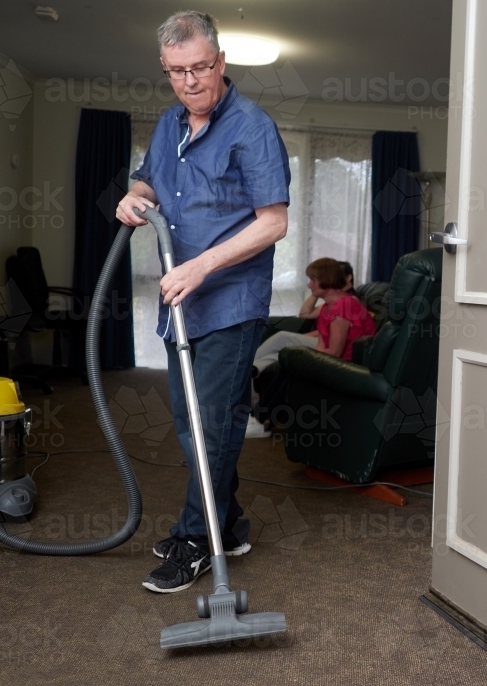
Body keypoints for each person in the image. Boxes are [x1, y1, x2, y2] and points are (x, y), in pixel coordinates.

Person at [115, 10, 290, 593]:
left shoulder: (252, 126)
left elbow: (273, 223)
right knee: (196, 425)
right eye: (176, 72)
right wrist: (132, 198)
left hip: (230, 302)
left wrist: (203, 265)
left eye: (200, 68)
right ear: (165, 71)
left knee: (210, 426)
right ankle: (230, 523)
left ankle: (196, 539)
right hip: (180, 302)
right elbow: (150, 182)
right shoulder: (168, 125)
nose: (190, 82)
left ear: (221, 62)